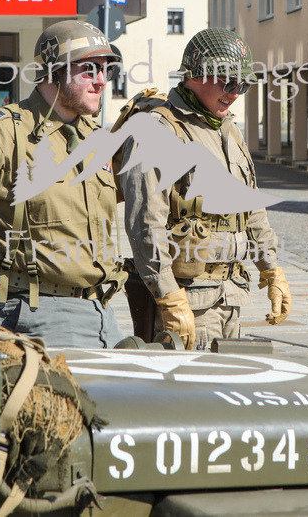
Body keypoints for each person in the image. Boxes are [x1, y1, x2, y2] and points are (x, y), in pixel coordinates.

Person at [0, 20, 126, 349]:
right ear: (54, 72)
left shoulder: (98, 141)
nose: (101, 80)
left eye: (106, 70)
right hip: (33, 312)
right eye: (89, 69)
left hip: (101, 311)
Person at [119, 27, 291, 349]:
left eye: (243, 84)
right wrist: (168, 296)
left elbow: (250, 209)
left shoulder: (227, 129)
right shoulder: (158, 130)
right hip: (188, 301)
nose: (235, 92)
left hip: (232, 296)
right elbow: (145, 225)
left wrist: (271, 269)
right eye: (227, 82)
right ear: (195, 75)